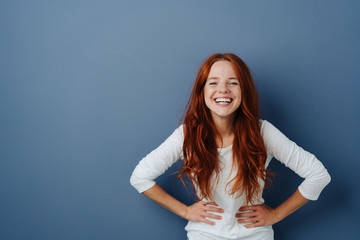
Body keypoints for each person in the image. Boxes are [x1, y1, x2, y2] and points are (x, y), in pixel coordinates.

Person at [130, 53, 331, 240]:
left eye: (233, 83)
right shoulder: (187, 135)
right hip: (204, 234)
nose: (223, 89)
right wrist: (185, 211)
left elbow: (318, 175)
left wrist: (276, 215)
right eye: (213, 82)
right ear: (202, 91)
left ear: (244, 91)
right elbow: (140, 177)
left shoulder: (262, 132)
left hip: (255, 235)